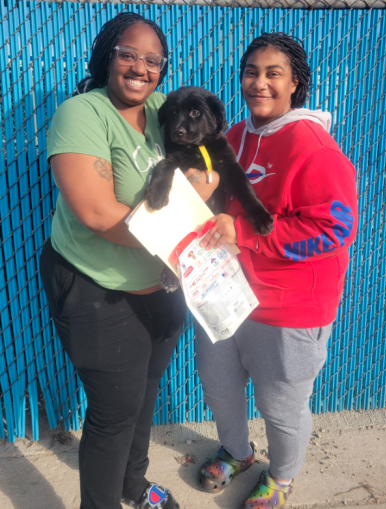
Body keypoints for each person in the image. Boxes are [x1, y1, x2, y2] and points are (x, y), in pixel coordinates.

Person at [39, 12, 219, 509]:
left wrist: (210, 184)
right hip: (98, 289)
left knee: (143, 397)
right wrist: (187, 229)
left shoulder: (166, 109)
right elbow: (98, 213)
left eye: (153, 60)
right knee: (114, 414)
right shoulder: (83, 113)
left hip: (161, 289)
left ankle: (132, 487)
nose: (141, 67)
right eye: (128, 54)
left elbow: (210, 168)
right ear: (106, 57)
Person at [195, 32, 358, 509]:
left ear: (295, 85)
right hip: (225, 294)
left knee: (281, 407)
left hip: (289, 308)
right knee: (219, 385)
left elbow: (334, 229)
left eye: (273, 73)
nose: (259, 83)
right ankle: (239, 452)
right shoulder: (236, 136)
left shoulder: (314, 146)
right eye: (251, 72)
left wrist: (243, 233)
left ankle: (282, 478)